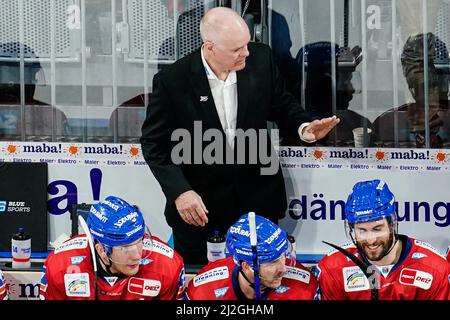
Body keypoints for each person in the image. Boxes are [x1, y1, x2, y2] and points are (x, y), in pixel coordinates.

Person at [140, 6, 339, 264]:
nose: (246, 52)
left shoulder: (260, 60)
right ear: (210, 47)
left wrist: (305, 127)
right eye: (236, 49)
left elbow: (282, 105)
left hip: (259, 204)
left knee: (264, 283)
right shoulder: (173, 80)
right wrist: (180, 192)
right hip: (201, 213)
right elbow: (153, 143)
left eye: (246, 44)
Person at [315, 179, 450, 300]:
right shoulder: (332, 269)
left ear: (392, 223)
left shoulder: (434, 269)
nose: (371, 240)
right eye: (362, 230)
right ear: (352, 228)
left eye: (377, 229)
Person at [39, 196, 185, 300]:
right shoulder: (60, 265)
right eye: (126, 248)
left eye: (140, 241)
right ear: (101, 250)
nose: (137, 256)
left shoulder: (167, 266)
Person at [185, 213, 317, 300]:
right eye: (272, 262)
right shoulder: (203, 293)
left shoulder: (305, 290)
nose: (284, 269)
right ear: (247, 266)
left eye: (283, 256)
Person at [283, 41, 370, 147]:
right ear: (326, 84)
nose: (351, 89)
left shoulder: (289, 131)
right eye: (346, 81)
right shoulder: (356, 125)